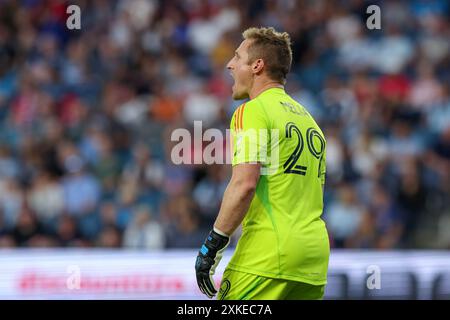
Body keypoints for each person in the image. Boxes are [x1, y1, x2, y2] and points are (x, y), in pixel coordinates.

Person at [195, 27, 329, 300]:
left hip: (268, 254)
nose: (229, 65)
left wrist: (212, 246)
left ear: (257, 65)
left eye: (237, 57)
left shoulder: (253, 110)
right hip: (313, 258)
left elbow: (244, 184)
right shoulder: (309, 121)